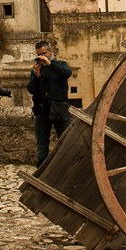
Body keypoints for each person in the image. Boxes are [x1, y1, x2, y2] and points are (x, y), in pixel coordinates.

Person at [27, 40, 73, 168]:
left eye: (44, 53)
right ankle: (42, 172)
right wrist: (37, 77)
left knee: (65, 143)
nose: (41, 56)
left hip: (59, 109)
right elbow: (31, 89)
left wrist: (50, 64)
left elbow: (67, 73)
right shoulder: (37, 69)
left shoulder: (60, 64)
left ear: (50, 52)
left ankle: (66, 170)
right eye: (39, 54)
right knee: (42, 146)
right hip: (43, 111)